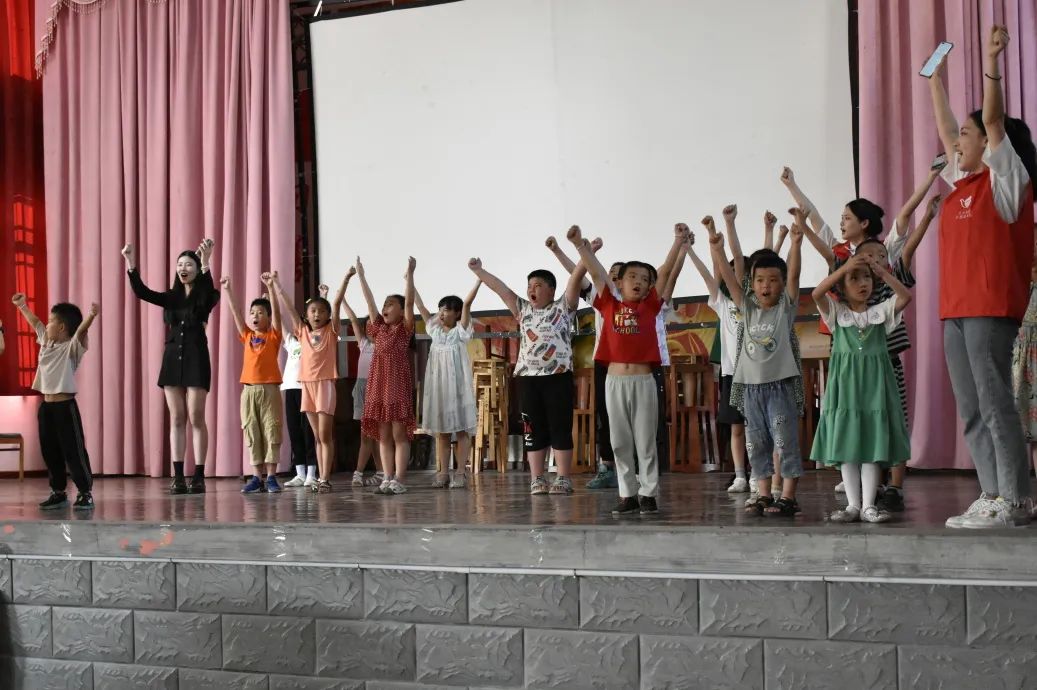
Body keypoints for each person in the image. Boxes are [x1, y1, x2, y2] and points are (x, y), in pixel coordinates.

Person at [928, 25, 1036, 528]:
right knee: (971, 409)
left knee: (995, 404)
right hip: (955, 310)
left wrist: (991, 62)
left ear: (992, 145)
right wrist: (934, 80)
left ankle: (1016, 499)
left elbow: (990, 120)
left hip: (990, 308)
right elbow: (947, 128)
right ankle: (992, 494)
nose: (957, 143)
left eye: (967, 137)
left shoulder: (1006, 180)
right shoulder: (961, 183)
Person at [570, 224, 679, 515]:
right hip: (614, 382)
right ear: (620, 282)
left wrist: (678, 242)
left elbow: (666, 272)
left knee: (645, 440)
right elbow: (596, 274)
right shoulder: (608, 304)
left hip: (643, 381)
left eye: (645, 279)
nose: (638, 282)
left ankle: (648, 493)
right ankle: (627, 494)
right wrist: (580, 245)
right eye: (633, 277)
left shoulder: (650, 306)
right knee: (619, 441)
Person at [713, 210, 806, 517]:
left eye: (773, 280)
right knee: (757, 443)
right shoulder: (747, 308)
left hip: (779, 387)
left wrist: (796, 243)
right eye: (760, 280)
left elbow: (794, 276)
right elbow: (730, 280)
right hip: (751, 389)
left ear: (781, 284)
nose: (766, 286)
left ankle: (788, 496)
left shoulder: (785, 308)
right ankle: (763, 494)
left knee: (785, 442)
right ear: (752, 284)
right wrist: (717, 249)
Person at [469, 254, 585, 495]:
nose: (532, 290)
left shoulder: (563, 307)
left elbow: (575, 280)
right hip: (528, 379)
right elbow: (501, 289)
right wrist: (479, 271)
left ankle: (563, 478)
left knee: (560, 427)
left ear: (551, 290)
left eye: (538, 285)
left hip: (558, 377)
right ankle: (537, 478)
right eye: (529, 286)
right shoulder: (522, 309)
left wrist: (584, 253)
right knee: (532, 428)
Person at [810, 255, 913, 523]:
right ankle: (853, 505)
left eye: (866, 277)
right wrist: (844, 268)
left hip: (874, 388)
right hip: (846, 389)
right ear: (842, 286)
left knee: (871, 443)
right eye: (854, 279)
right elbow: (817, 293)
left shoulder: (881, 312)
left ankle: (868, 505)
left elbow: (905, 296)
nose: (862, 283)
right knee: (847, 444)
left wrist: (883, 273)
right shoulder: (837, 314)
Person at [123, 240, 219, 494]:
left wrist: (206, 262)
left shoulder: (206, 295)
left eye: (188, 265)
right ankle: (178, 476)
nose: (183, 268)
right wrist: (131, 263)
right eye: (180, 265)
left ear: (197, 269)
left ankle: (199, 475)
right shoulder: (171, 297)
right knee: (176, 417)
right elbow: (143, 293)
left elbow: (208, 297)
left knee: (196, 416)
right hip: (172, 358)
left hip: (196, 358)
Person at [546, 236, 621, 490]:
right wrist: (558, 250)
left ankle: (636, 468)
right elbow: (577, 273)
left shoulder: (636, 303)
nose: (611, 279)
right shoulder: (600, 299)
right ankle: (607, 467)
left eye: (617, 276)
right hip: (604, 362)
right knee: (605, 415)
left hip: (633, 364)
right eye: (610, 275)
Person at [12, 293, 99, 510]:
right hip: (47, 408)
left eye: (51, 321)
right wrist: (22, 305)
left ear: (61, 327)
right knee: (49, 450)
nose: (46, 324)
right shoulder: (46, 341)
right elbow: (35, 322)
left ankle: (85, 492)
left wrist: (91, 315)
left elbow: (81, 331)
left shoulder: (71, 347)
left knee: (73, 450)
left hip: (65, 406)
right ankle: (58, 492)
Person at [272, 271, 347, 493]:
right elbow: (290, 310)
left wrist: (345, 279)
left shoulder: (331, 331)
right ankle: (320, 479)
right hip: (306, 385)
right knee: (316, 437)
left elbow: (337, 302)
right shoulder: (302, 332)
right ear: (306, 315)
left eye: (322, 311)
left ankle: (325, 479)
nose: (317, 314)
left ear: (328, 315)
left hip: (324, 385)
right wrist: (277, 285)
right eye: (313, 311)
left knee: (324, 435)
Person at [355, 258, 417, 495]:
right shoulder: (378, 328)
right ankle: (387, 477)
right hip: (378, 385)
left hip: (397, 384)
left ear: (401, 311)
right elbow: (369, 302)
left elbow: (409, 302)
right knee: (383, 435)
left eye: (391, 304)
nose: (385, 307)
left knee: (399, 434)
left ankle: (399, 478)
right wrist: (361, 276)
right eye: (385, 304)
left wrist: (410, 274)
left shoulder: (404, 328)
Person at [414, 279, 482, 488]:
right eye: (440, 310)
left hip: (457, 389)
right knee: (442, 432)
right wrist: (411, 278)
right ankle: (443, 473)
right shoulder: (434, 331)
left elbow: (468, 303)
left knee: (461, 430)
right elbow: (420, 306)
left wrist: (479, 279)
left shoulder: (460, 332)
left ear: (457, 313)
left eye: (446, 310)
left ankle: (460, 472)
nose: (441, 314)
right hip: (439, 389)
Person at [221, 272, 284, 494]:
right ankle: (257, 477)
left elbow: (277, 316)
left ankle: (271, 477)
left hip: (270, 390)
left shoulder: (273, 336)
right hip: (248, 391)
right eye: (253, 312)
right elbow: (236, 314)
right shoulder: (247, 335)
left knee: (271, 430)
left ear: (268, 317)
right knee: (252, 431)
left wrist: (272, 288)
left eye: (260, 313)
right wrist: (228, 290)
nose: (255, 316)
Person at [282, 285, 326, 488]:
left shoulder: (314, 339)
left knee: (309, 432)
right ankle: (299, 472)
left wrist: (323, 296)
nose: (296, 327)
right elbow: (279, 323)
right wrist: (273, 295)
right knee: (294, 430)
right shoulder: (292, 342)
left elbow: (320, 321)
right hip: (290, 389)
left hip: (307, 388)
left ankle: (312, 473)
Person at [340, 285, 383, 488]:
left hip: (377, 390)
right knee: (368, 434)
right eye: (367, 326)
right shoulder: (364, 344)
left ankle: (360, 472)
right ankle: (380, 472)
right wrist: (343, 300)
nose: (368, 329)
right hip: (361, 390)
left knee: (373, 434)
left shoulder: (383, 346)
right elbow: (352, 320)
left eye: (373, 325)